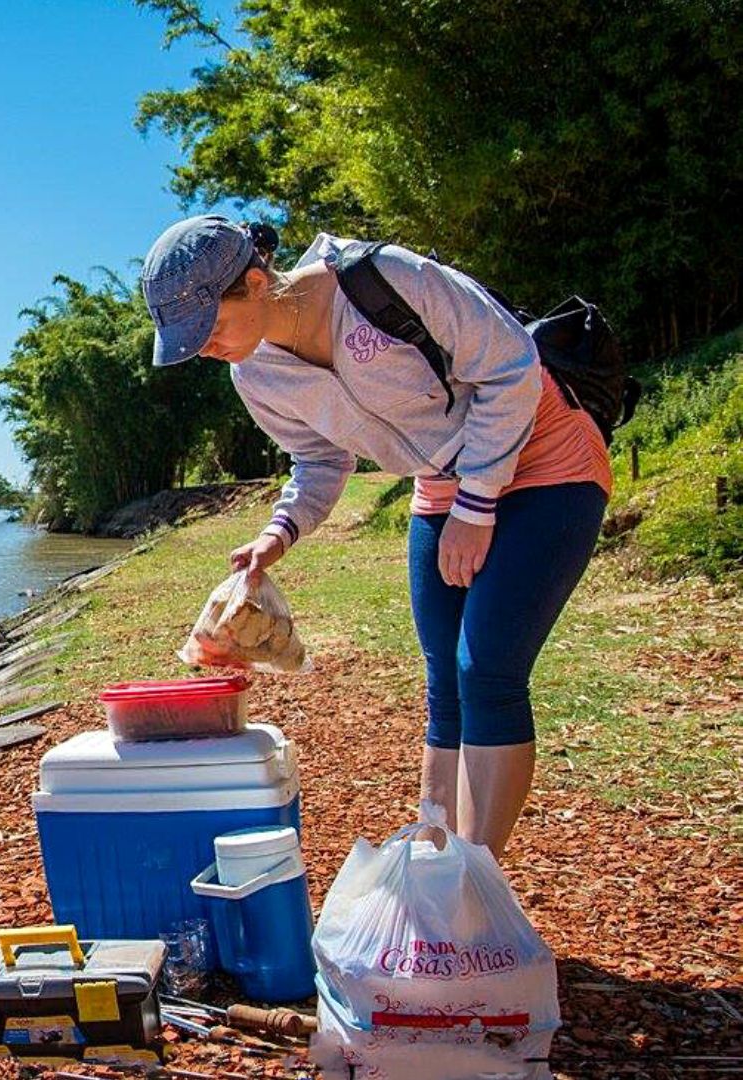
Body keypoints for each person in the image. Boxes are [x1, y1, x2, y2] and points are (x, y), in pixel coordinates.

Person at [140, 214, 611, 856]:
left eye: (212, 328)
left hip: (543, 458)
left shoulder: (380, 278)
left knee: (487, 670)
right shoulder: (255, 374)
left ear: (255, 282)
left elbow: (509, 364)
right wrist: (276, 536)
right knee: (444, 677)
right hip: (442, 482)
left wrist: (475, 509)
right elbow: (319, 460)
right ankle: (440, 859)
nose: (208, 349)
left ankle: (476, 881)